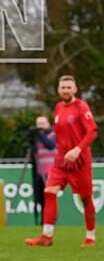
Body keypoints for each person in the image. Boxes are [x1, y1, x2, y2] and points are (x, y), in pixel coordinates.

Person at [26, 76, 98, 247]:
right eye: (62, 87)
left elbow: (92, 131)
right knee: (49, 192)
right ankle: (47, 235)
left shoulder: (81, 107)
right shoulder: (58, 108)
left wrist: (77, 149)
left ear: (75, 89)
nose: (65, 90)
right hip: (61, 161)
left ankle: (90, 237)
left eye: (68, 87)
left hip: (80, 161)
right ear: (58, 90)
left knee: (86, 199)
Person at [35, 115, 57, 181]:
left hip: (52, 170)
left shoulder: (54, 133)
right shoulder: (37, 136)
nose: (40, 126)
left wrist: (41, 134)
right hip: (39, 170)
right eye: (38, 124)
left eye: (42, 123)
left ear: (48, 123)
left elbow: (50, 145)